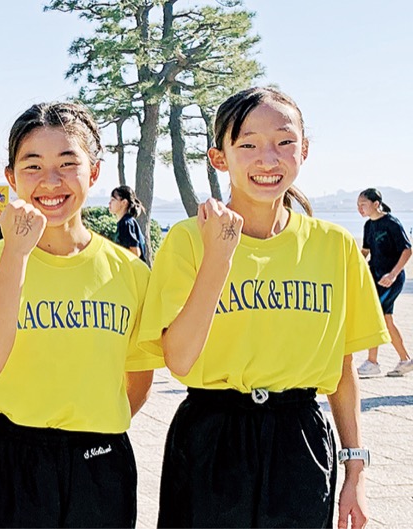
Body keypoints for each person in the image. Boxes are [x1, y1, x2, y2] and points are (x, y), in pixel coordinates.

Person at [140, 87, 385, 528]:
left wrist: (356, 471)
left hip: (299, 440)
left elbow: (343, 370)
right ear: (219, 158)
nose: (268, 159)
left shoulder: (335, 246)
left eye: (284, 142)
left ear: (304, 149)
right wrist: (218, 257)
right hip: (211, 438)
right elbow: (179, 359)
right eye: (248, 144)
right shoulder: (187, 240)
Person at [0, 102, 158, 527]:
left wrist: (88, 430)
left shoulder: (130, 273)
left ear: (94, 172)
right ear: (11, 177)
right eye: (33, 166)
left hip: (99, 464)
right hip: (7, 462)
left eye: (68, 163)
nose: (51, 181)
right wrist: (16, 252)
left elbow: (137, 381)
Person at [357, 187, 413, 377]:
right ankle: (405, 360)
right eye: (358, 205)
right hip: (376, 278)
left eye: (363, 204)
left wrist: (393, 275)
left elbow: (407, 250)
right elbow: (365, 252)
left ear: (376, 204)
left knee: (376, 316)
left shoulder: (391, 223)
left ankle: (372, 362)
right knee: (386, 319)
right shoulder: (368, 226)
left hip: (391, 280)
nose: (360, 209)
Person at [109, 185, 148, 262]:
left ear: (124, 202)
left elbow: (136, 253)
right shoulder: (126, 222)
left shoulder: (126, 223)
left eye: (113, 200)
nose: (109, 203)